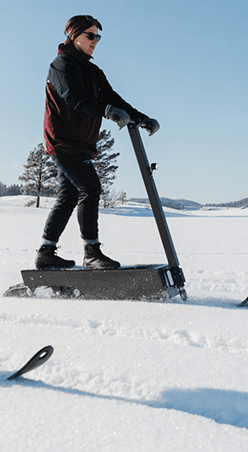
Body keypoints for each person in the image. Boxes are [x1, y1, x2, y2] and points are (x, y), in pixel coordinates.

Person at [36, 15, 160, 270]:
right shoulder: (61, 65)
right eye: (90, 36)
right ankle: (91, 252)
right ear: (74, 36)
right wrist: (105, 111)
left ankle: (46, 253)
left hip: (81, 141)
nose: (95, 41)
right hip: (63, 140)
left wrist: (141, 118)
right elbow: (73, 96)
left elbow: (114, 99)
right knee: (90, 187)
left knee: (69, 194)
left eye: (98, 37)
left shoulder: (94, 72)